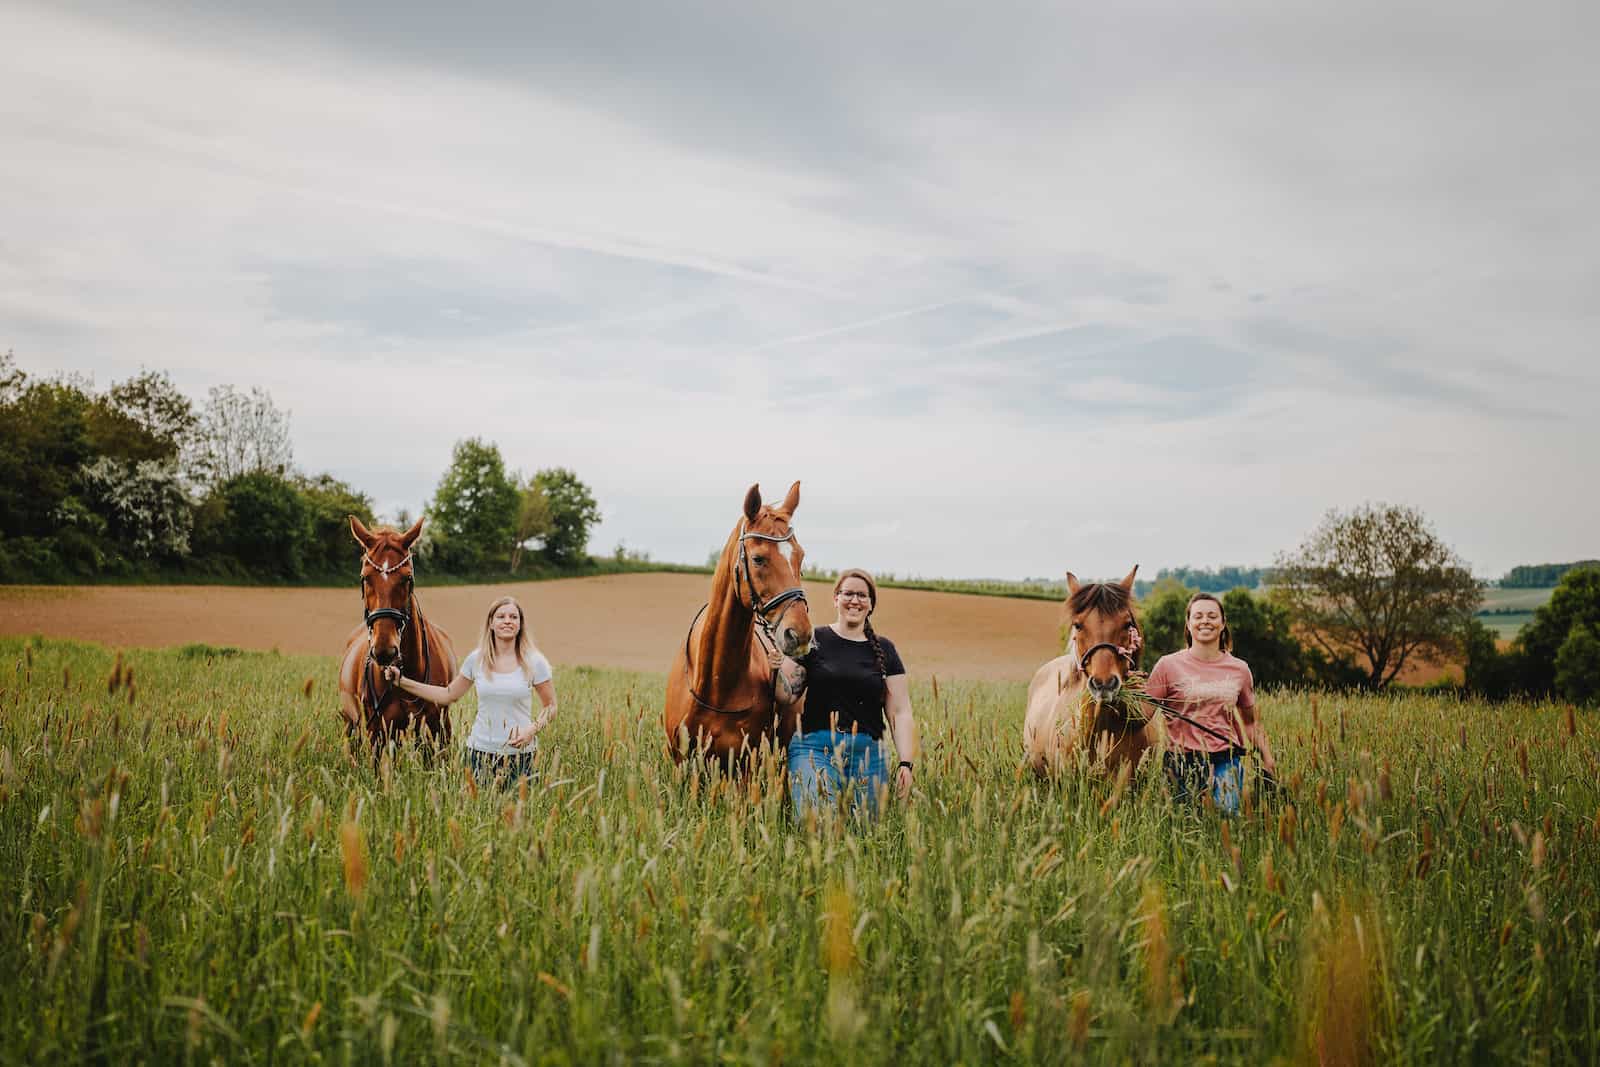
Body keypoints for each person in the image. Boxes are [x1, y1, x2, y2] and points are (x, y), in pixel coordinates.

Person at [773, 568, 917, 818]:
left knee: (865, 834)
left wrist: (906, 763)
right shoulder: (812, 639)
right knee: (815, 824)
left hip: (867, 754)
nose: (855, 600)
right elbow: (786, 696)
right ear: (836, 598)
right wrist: (777, 669)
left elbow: (900, 712)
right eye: (848, 593)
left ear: (871, 604)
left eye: (862, 595)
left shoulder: (885, 650)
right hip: (815, 749)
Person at [384, 595, 556, 786]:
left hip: (521, 757)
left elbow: (551, 706)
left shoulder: (535, 661)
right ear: (491, 623)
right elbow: (448, 695)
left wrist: (531, 730)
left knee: (520, 814)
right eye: (501, 617)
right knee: (480, 813)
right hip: (479, 755)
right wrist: (402, 682)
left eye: (513, 617)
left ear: (520, 624)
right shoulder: (476, 659)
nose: (507, 621)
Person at [1144, 592, 1276, 814]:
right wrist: (1120, 680)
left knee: (1226, 816)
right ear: (1188, 623)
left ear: (1223, 623)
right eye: (1198, 616)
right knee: (1185, 823)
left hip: (1226, 758)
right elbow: (1142, 714)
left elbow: (1251, 723)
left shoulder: (1240, 669)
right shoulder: (1167, 666)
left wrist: (1267, 759)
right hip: (1180, 762)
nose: (1205, 620)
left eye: (1212, 616)